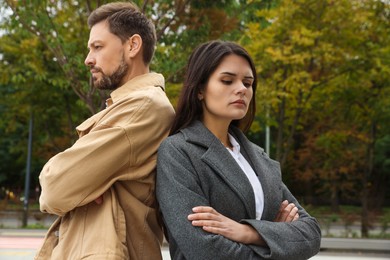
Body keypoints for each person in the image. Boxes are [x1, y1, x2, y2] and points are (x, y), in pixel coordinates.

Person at [156, 41, 321, 260]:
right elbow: (203, 249)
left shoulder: (257, 158)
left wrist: (248, 232)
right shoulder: (178, 152)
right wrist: (275, 237)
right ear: (199, 90)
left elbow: (311, 233)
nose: (242, 89)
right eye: (227, 80)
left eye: (248, 82)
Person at [35, 2, 175, 259]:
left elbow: (55, 187)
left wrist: (80, 185)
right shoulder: (126, 106)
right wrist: (86, 184)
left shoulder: (144, 106)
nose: (88, 59)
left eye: (97, 47)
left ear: (133, 45)